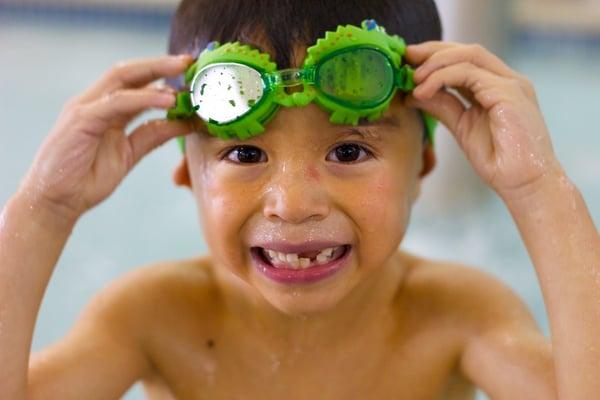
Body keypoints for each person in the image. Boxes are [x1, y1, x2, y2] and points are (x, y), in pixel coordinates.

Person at [1, 0, 598, 399]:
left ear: (424, 164)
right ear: (185, 171)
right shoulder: (156, 316)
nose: (290, 204)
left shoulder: (457, 318)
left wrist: (537, 189)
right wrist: (46, 208)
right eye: (244, 154)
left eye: (348, 152)